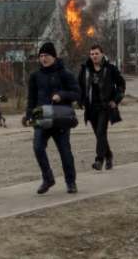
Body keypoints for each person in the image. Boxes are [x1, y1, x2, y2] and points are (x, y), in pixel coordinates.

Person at [23, 42, 80, 194]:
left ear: (54, 56)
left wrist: (61, 95)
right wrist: (28, 115)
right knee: (37, 147)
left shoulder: (65, 74)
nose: (43, 59)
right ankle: (48, 178)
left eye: (46, 55)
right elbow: (31, 98)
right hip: (41, 116)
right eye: (41, 56)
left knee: (65, 151)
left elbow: (77, 93)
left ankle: (71, 182)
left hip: (60, 117)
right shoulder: (35, 76)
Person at [76, 43, 126, 170]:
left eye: (96, 53)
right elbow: (79, 87)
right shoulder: (85, 69)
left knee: (100, 132)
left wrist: (115, 100)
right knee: (99, 135)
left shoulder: (110, 69)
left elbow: (121, 85)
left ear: (102, 54)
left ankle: (99, 160)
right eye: (92, 54)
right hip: (91, 107)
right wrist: (80, 100)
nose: (94, 56)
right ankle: (108, 155)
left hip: (105, 106)